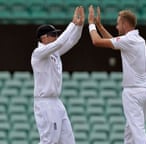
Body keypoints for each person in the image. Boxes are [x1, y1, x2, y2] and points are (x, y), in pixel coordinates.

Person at [88, 5, 146, 144]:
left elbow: (96, 41)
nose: (116, 27)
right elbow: (113, 42)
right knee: (130, 133)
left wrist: (91, 24)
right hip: (144, 91)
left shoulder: (129, 40)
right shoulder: (138, 40)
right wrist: (99, 26)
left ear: (125, 24)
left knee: (137, 131)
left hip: (133, 92)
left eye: (118, 23)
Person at [31, 6, 85, 144]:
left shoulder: (54, 52)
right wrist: (72, 23)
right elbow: (61, 41)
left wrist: (79, 26)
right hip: (45, 103)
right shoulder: (38, 53)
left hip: (56, 102)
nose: (56, 37)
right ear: (44, 38)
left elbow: (72, 41)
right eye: (53, 34)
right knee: (49, 141)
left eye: (56, 34)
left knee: (68, 141)